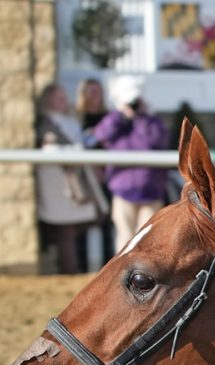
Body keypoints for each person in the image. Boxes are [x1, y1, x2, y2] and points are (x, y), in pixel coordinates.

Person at [34, 83, 108, 274]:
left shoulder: (69, 119)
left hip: (77, 178)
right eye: (57, 98)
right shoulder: (47, 122)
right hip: (59, 183)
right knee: (64, 231)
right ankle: (69, 270)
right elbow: (49, 147)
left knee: (87, 221)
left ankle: (77, 267)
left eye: (63, 97)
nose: (62, 101)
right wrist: (77, 152)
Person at [93, 76, 170, 253]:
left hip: (151, 189)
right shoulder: (113, 120)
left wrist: (141, 117)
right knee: (125, 237)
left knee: (149, 237)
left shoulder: (152, 122)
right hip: (122, 189)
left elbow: (156, 141)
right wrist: (121, 115)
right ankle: (123, 275)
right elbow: (102, 135)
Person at [74, 77, 115, 267]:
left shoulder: (109, 117)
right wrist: (92, 169)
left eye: (97, 91)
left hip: (107, 177)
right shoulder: (77, 118)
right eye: (90, 91)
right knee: (84, 221)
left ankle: (107, 265)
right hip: (84, 178)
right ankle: (82, 264)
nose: (95, 96)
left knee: (107, 222)